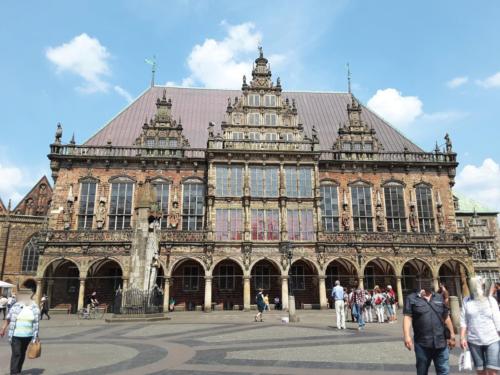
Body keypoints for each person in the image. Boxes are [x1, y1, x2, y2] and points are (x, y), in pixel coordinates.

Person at [403, 285, 456, 375]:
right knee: (422, 372)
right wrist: (407, 336)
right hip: (422, 344)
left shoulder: (439, 297)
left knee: (444, 371)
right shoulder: (411, 298)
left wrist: (452, 334)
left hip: (441, 343)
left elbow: (446, 317)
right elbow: (407, 317)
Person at [460, 276, 500, 375]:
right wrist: (462, 338)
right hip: (474, 340)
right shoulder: (466, 301)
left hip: (492, 339)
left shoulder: (491, 300)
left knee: (492, 371)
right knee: (481, 371)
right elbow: (463, 320)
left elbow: (498, 320)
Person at [0, 291, 41, 375]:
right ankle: (14, 372)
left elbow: (36, 323)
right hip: (15, 335)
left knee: (22, 353)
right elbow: (8, 318)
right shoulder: (16, 306)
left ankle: (18, 370)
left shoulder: (35, 308)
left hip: (28, 335)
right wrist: (3, 328)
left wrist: (36, 335)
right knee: (17, 353)